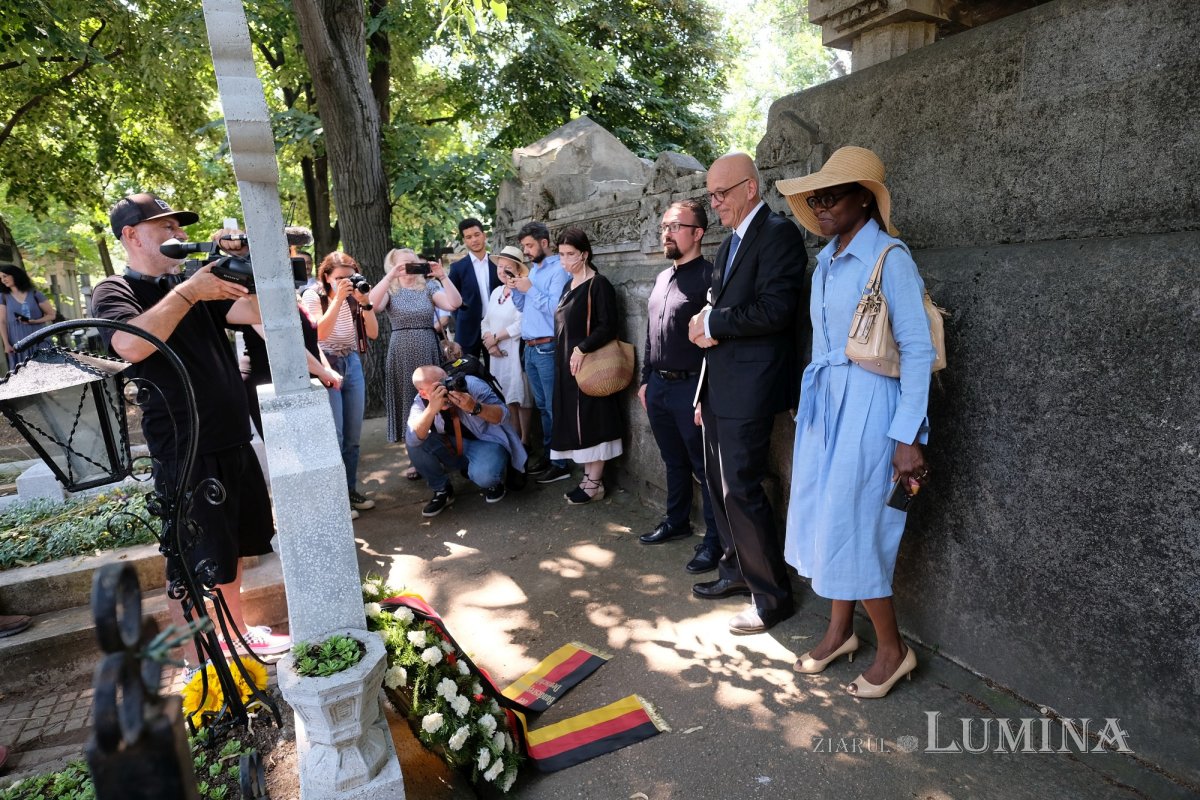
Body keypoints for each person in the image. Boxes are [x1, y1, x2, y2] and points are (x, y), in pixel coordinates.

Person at [92, 192, 290, 660]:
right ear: (132, 235)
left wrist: (247, 266)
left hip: (232, 437)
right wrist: (189, 292)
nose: (178, 235)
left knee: (233, 550)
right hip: (185, 448)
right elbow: (129, 345)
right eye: (166, 227)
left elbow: (260, 315)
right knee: (188, 561)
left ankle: (237, 636)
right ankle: (198, 662)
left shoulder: (193, 282)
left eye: (178, 227)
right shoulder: (114, 290)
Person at [776, 146, 933, 698]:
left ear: (863, 197)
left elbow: (915, 349)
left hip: (872, 406)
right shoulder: (825, 262)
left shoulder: (890, 257)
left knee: (858, 522)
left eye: (831, 195)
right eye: (814, 198)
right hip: (826, 405)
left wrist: (908, 435)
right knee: (829, 517)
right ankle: (840, 630)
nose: (820, 205)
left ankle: (893, 649)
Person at [688, 153, 808, 634]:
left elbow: (776, 310)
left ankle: (772, 598)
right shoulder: (729, 244)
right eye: (710, 194)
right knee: (720, 487)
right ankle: (739, 571)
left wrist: (713, 322)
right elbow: (722, 306)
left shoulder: (777, 234)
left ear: (750, 188)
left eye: (720, 193)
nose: (714, 203)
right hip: (718, 384)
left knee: (741, 485)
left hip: (752, 387)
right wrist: (706, 325)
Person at [638, 200, 721, 574]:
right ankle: (676, 522)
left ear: (698, 233)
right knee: (672, 461)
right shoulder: (661, 278)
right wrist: (644, 379)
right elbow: (651, 331)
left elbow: (719, 340)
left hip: (692, 389)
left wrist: (706, 393)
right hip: (658, 387)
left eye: (674, 226)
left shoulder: (710, 277)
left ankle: (715, 542)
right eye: (664, 227)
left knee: (705, 469)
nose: (666, 233)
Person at [368, 248, 462, 479]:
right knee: (406, 402)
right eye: (403, 264)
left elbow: (453, 304)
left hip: (428, 346)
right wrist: (391, 276)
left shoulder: (428, 287)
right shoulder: (390, 288)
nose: (409, 266)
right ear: (393, 266)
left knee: (435, 399)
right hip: (400, 350)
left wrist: (442, 276)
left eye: (412, 262)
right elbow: (372, 304)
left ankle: (443, 452)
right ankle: (415, 458)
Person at [546, 227, 624, 504]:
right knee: (578, 420)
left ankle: (595, 482)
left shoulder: (598, 284)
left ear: (585, 254)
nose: (565, 261)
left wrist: (582, 348)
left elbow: (608, 325)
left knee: (593, 417)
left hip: (590, 362)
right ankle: (588, 477)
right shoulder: (569, 285)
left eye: (570, 255)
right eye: (561, 255)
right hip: (568, 363)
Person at [301, 251, 380, 516]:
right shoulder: (314, 295)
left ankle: (349, 490)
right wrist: (338, 300)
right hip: (326, 364)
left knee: (352, 437)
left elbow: (373, 333)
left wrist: (365, 302)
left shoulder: (357, 295)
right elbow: (318, 333)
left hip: (352, 361)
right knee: (334, 435)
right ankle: (336, 500)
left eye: (350, 276)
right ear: (326, 276)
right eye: (340, 278)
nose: (346, 282)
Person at [406, 365, 527, 516]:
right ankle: (442, 490)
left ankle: (492, 481)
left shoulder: (470, 384)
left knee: (485, 476)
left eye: (446, 380)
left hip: (486, 442)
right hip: (454, 445)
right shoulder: (421, 402)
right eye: (438, 386)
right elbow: (412, 438)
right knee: (416, 443)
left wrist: (475, 407)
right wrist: (431, 409)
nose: (446, 387)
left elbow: (503, 415)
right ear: (423, 393)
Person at [510, 221, 570, 483]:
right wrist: (516, 288)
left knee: (553, 407)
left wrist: (530, 289)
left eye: (529, 245)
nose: (526, 251)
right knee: (543, 407)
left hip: (547, 346)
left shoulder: (558, 269)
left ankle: (561, 462)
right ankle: (549, 455)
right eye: (524, 246)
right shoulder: (533, 270)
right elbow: (525, 307)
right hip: (531, 347)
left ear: (544, 243)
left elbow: (557, 308)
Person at [480, 245, 532, 443]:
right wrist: (490, 342)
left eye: (507, 268)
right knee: (507, 396)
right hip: (496, 354)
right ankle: (515, 438)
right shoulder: (496, 292)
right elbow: (485, 320)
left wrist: (498, 337)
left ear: (517, 270)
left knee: (521, 396)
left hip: (514, 351)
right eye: (500, 267)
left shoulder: (523, 291)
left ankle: (526, 440)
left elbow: (522, 322)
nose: (502, 271)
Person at [447, 218, 500, 359]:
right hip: (467, 329)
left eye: (477, 235)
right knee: (469, 373)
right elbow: (453, 301)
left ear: (484, 235)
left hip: (496, 326)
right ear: (464, 240)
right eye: (469, 237)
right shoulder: (457, 268)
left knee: (497, 373)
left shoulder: (497, 264)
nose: (474, 240)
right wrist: (462, 320)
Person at [0, 264, 55, 371]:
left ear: (15, 275)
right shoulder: (3, 297)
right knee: (24, 375)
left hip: (40, 340)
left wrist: (35, 321)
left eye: (5, 276)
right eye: (1, 278)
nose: (3, 280)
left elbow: (51, 315)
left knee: (47, 373)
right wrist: (6, 344)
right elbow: (1, 321)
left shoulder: (35, 293)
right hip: (18, 342)